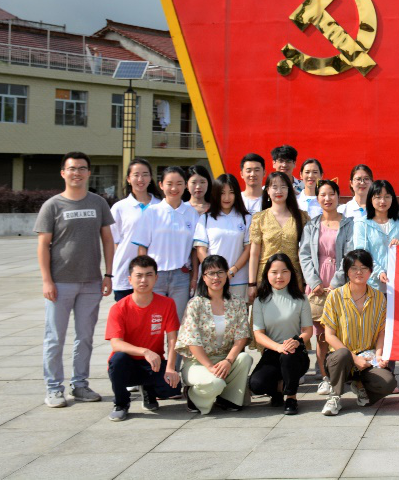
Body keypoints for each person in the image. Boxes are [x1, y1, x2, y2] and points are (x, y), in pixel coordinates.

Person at [36, 151, 115, 408]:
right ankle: (53, 388)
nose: (77, 173)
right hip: (60, 283)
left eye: (82, 168)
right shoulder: (52, 206)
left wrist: (108, 274)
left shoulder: (98, 203)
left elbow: (107, 240)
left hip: (91, 282)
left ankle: (80, 385)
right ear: (63, 173)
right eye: (72, 168)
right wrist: (47, 280)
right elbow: (43, 245)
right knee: (55, 338)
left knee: (85, 337)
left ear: (88, 173)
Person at [105, 255, 182, 421]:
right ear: (130, 279)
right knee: (117, 360)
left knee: (172, 389)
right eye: (138, 275)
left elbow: (172, 339)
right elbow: (116, 344)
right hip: (128, 363)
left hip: (153, 363)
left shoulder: (167, 303)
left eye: (148, 275)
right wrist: (145, 351)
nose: (143, 280)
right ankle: (121, 404)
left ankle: (149, 390)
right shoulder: (119, 308)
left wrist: (170, 367)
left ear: (156, 278)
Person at [320, 249, 397, 415]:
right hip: (341, 358)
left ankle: (360, 386)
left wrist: (378, 356)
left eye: (364, 268)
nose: (359, 272)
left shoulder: (379, 298)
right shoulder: (335, 297)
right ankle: (334, 396)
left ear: (370, 271)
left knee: (388, 382)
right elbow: (329, 336)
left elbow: (381, 332)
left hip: (367, 357)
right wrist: (354, 358)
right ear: (347, 271)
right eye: (354, 268)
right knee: (342, 355)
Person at [175, 255, 253, 414]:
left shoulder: (237, 302)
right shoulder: (195, 304)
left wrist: (228, 361)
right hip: (198, 362)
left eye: (220, 272)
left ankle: (228, 399)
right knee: (216, 383)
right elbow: (192, 340)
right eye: (211, 273)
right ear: (204, 278)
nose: (216, 277)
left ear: (227, 274)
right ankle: (193, 396)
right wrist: (210, 367)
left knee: (245, 358)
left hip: (225, 359)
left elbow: (241, 337)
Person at [298, 179, 355, 393]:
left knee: (341, 333)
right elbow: (304, 254)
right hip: (317, 283)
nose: (327, 198)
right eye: (322, 194)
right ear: (317, 198)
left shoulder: (348, 224)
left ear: (338, 196)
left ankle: (342, 375)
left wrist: (336, 282)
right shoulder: (311, 225)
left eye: (331, 194)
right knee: (321, 336)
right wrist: (314, 282)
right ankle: (324, 376)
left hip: (340, 282)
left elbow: (350, 254)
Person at [248, 254, 312, 414]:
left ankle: (291, 397)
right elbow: (259, 334)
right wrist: (278, 347)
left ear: (291, 273)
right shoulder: (260, 301)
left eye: (284, 271)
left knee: (289, 356)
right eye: (274, 272)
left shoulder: (301, 299)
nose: (279, 276)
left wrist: (297, 341)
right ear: (266, 274)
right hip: (273, 351)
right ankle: (277, 390)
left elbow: (308, 331)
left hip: (295, 352)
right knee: (256, 384)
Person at [133, 166, 199, 322]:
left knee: (177, 321)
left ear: (185, 185)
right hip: (156, 275)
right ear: (161, 185)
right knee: (154, 322)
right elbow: (142, 248)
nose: (174, 188)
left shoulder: (192, 213)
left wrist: (194, 277)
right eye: (169, 184)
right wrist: (144, 275)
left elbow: (194, 250)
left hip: (181, 276)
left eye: (179, 183)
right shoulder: (151, 212)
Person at [248, 171, 309, 300]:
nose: (279, 191)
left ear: (289, 190)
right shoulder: (259, 218)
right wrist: (252, 284)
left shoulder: (301, 217)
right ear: (268, 191)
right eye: (274, 187)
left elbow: (306, 252)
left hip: (294, 278)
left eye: (283, 187)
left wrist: (306, 281)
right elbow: (254, 254)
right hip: (266, 278)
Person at [110, 158, 163, 302]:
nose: (141, 179)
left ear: (150, 178)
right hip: (125, 274)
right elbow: (115, 242)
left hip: (154, 274)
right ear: (128, 179)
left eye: (145, 174)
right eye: (136, 175)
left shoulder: (161, 206)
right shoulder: (119, 208)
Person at [194, 174, 252, 302]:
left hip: (238, 280)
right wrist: (214, 273)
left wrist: (231, 271)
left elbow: (248, 249)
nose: (227, 197)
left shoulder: (246, 219)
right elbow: (201, 250)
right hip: (211, 282)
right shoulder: (206, 218)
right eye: (222, 193)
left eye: (231, 192)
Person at [353, 180, 399, 294]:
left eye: (387, 196)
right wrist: (379, 272)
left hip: (398, 285)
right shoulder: (362, 224)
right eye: (378, 197)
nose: (383, 201)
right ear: (370, 199)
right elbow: (361, 253)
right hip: (371, 284)